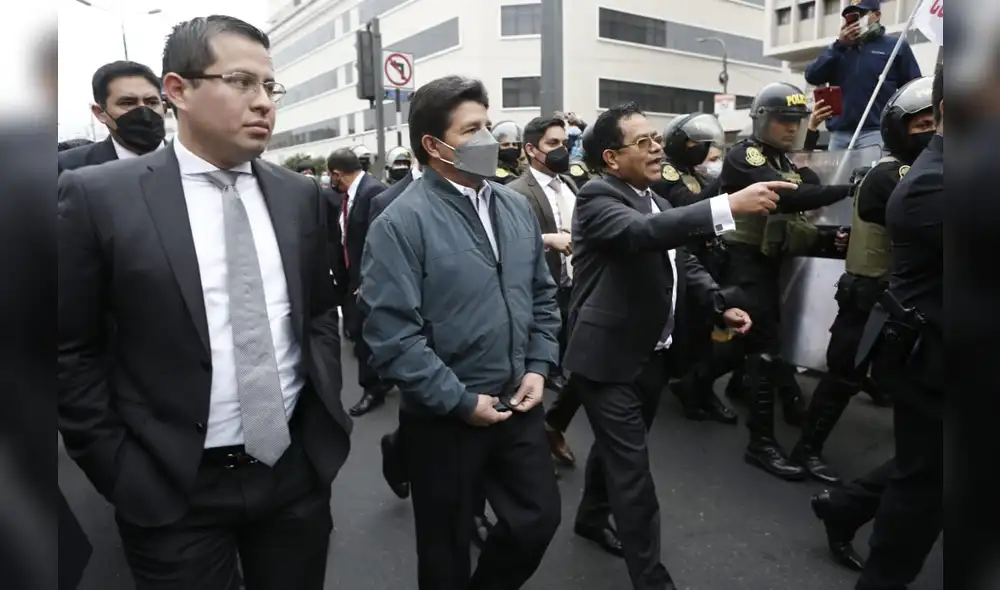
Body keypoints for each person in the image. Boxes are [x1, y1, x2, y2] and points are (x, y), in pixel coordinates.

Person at [58, 15, 352, 589]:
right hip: (172, 486)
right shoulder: (99, 197)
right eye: (241, 82)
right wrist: (120, 468)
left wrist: (322, 417)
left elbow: (318, 310)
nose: (263, 102)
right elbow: (71, 351)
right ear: (178, 91)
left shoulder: (298, 195)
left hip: (292, 473)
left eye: (270, 87)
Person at [565, 101, 789, 590]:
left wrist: (717, 304)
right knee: (634, 474)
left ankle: (590, 515)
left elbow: (680, 264)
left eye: (656, 139)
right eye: (642, 142)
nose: (656, 149)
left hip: (650, 354)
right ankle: (652, 579)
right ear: (609, 158)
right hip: (605, 360)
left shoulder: (658, 201)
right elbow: (644, 236)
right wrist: (728, 205)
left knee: (619, 450)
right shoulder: (598, 198)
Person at [360, 75, 562, 590]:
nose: (491, 139)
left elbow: (541, 294)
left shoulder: (514, 206)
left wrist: (539, 368)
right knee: (445, 547)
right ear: (434, 144)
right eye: (473, 129)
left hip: (517, 400)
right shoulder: (400, 222)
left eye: (489, 125)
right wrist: (458, 401)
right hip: (445, 415)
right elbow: (391, 334)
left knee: (536, 520)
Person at [813, 63, 944, 589]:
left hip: (916, 325)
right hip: (908, 331)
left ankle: (844, 505)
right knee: (924, 480)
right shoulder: (918, 179)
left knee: (931, 466)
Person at [792, 76, 936, 486]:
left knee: (903, 383)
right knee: (842, 378)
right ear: (898, 131)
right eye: (919, 125)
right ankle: (806, 449)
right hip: (869, 296)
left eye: (934, 123)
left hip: (903, 302)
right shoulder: (894, 174)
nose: (928, 132)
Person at [718, 81, 853, 481]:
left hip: (769, 261)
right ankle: (760, 442)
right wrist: (847, 189)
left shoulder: (783, 159)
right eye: (783, 120)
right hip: (744, 262)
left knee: (759, 345)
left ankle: (708, 387)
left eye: (797, 121)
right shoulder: (746, 155)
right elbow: (789, 196)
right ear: (761, 119)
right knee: (763, 349)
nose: (791, 128)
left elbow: (807, 185)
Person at [651, 113, 737, 425]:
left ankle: (698, 387)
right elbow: (693, 205)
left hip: (707, 259)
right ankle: (689, 389)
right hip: (682, 260)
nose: (700, 150)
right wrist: (729, 179)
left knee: (704, 331)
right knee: (689, 331)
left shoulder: (693, 173)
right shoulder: (667, 174)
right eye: (695, 143)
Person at [508, 115, 581, 467]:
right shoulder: (515, 193)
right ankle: (533, 456)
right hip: (539, 296)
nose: (561, 150)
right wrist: (547, 241)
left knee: (577, 369)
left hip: (575, 291)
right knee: (530, 373)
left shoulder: (570, 184)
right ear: (531, 149)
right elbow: (504, 245)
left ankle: (553, 426)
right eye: (553, 144)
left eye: (564, 143)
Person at [804, 0, 921, 150]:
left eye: (861, 15)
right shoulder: (838, 49)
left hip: (875, 131)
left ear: (877, 15)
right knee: (838, 174)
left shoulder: (895, 46)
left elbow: (912, 87)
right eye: (851, 17)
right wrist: (839, 45)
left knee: (870, 173)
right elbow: (812, 76)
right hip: (840, 132)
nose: (856, 21)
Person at [326, 148, 392, 417]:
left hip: (369, 281)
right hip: (354, 278)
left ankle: (373, 389)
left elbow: (378, 243)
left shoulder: (372, 193)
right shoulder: (353, 194)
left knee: (365, 337)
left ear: (336, 174)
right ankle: (384, 378)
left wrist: (366, 280)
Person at [58, 60, 166, 174]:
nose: (143, 112)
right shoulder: (68, 168)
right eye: (128, 103)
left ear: (164, 108)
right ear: (100, 113)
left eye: (151, 102)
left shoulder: (184, 159)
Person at [491, 120, 522, 184]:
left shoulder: (520, 169)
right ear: (497, 148)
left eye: (514, 144)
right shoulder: (495, 173)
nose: (511, 147)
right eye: (506, 144)